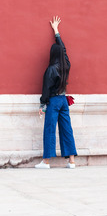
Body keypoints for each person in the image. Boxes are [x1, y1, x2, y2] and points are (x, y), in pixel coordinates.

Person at [35, 16, 77, 169]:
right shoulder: (67, 65)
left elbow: (46, 90)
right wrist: (57, 32)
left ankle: (46, 161)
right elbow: (63, 50)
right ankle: (71, 161)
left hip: (53, 101)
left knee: (49, 129)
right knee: (67, 129)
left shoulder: (51, 69)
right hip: (64, 100)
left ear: (52, 54)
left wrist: (42, 104)